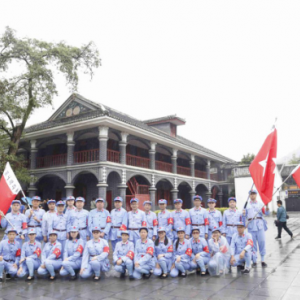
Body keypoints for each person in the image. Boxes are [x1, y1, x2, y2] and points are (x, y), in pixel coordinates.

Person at [242, 190, 269, 267]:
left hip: (260, 225)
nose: (252, 195)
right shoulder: (246, 205)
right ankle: (254, 260)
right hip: (251, 226)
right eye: (251, 194)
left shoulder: (260, 204)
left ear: (256, 195)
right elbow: (244, 217)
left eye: (254, 194)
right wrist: (243, 215)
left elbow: (266, 213)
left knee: (262, 242)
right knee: (252, 244)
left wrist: (267, 207)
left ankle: (263, 259)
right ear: (249, 196)